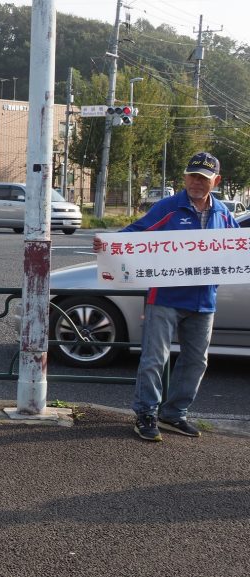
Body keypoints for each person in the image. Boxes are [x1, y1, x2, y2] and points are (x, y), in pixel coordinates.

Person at [97, 152, 238, 442]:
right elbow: (136, 233)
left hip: (204, 300)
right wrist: (108, 243)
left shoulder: (223, 213)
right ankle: (146, 413)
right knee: (155, 358)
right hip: (165, 298)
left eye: (203, 178)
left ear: (216, 181)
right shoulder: (169, 207)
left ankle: (174, 413)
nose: (196, 182)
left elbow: (237, 248)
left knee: (196, 361)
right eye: (192, 176)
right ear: (184, 178)